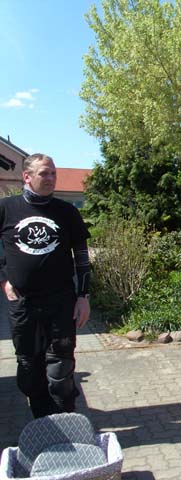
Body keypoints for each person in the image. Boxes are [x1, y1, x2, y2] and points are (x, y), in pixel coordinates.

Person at [0, 153, 91, 418]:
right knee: (30, 369)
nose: (51, 178)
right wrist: (4, 281)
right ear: (26, 176)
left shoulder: (67, 212)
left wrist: (83, 296)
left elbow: (82, 257)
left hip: (61, 301)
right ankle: (43, 424)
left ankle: (66, 421)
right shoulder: (6, 209)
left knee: (61, 370)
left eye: (53, 173)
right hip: (23, 303)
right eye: (44, 173)